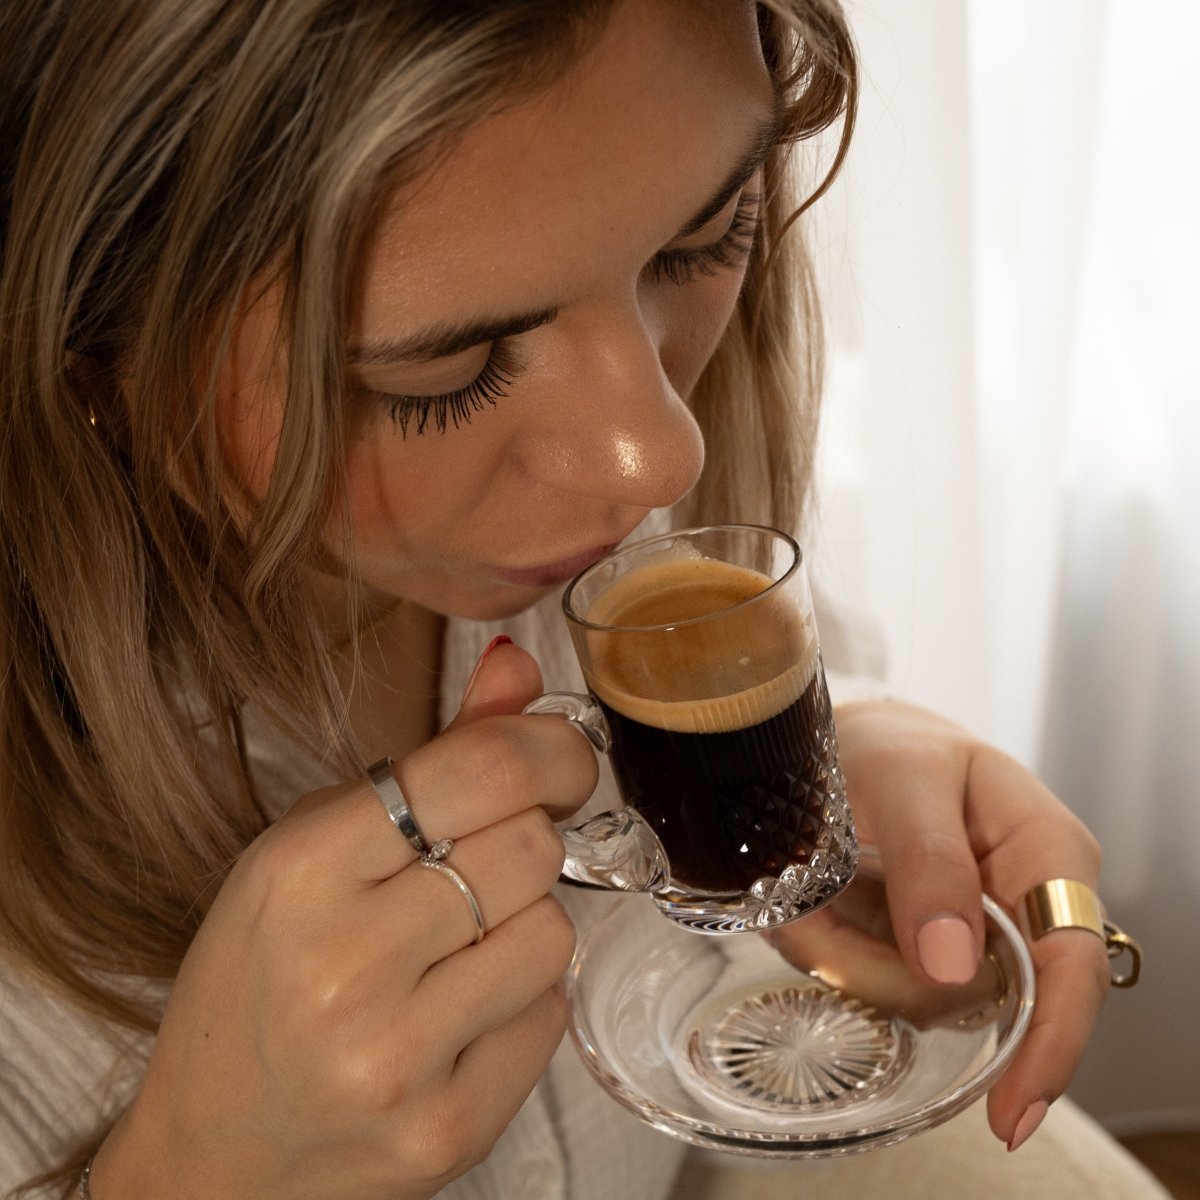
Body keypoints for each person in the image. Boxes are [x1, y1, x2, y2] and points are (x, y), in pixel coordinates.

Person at [0, 2, 1163, 1199]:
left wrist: (855, 742)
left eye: (706, 238)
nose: (658, 460)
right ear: (87, 359)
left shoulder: (556, 537)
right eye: (446, 374)